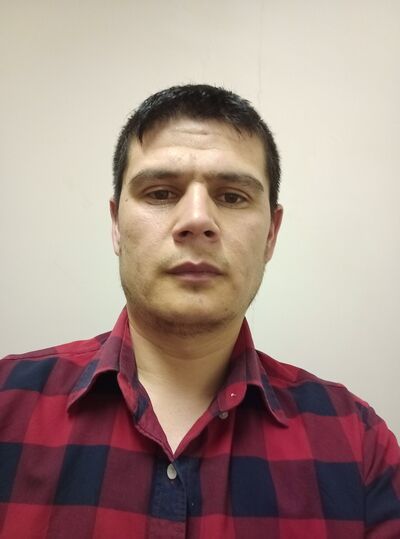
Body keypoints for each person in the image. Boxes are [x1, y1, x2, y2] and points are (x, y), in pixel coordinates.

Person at [0, 84, 399, 539]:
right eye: (160, 193)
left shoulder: (357, 444)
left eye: (232, 197)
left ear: (271, 234)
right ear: (116, 225)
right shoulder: (8, 405)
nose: (196, 220)